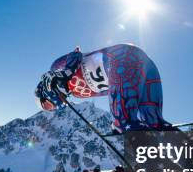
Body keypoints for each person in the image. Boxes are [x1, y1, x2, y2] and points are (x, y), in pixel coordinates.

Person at [34, 44, 171, 133]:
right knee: (152, 119)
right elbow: (110, 88)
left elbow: (75, 55)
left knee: (124, 123)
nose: (53, 107)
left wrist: (67, 71)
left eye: (47, 105)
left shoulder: (55, 68)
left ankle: (126, 126)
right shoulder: (77, 94)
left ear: (44, 91)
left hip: (121, 59)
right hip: (141, 63)